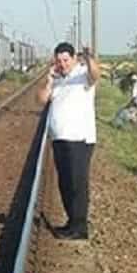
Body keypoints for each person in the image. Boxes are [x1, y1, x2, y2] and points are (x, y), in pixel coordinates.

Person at [37, 42, 100, 241]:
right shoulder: (57, 80)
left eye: (66, 60)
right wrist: (48, 80)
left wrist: (88, 56)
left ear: (74, 59)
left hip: (79, 140)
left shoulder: (83, 75)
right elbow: (41, 100)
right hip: (60, 140)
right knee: (65, 182)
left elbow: (95, 74)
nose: (62, 64)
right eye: (59, 61)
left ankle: (80, 227)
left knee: (77, 184)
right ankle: (71, 222)